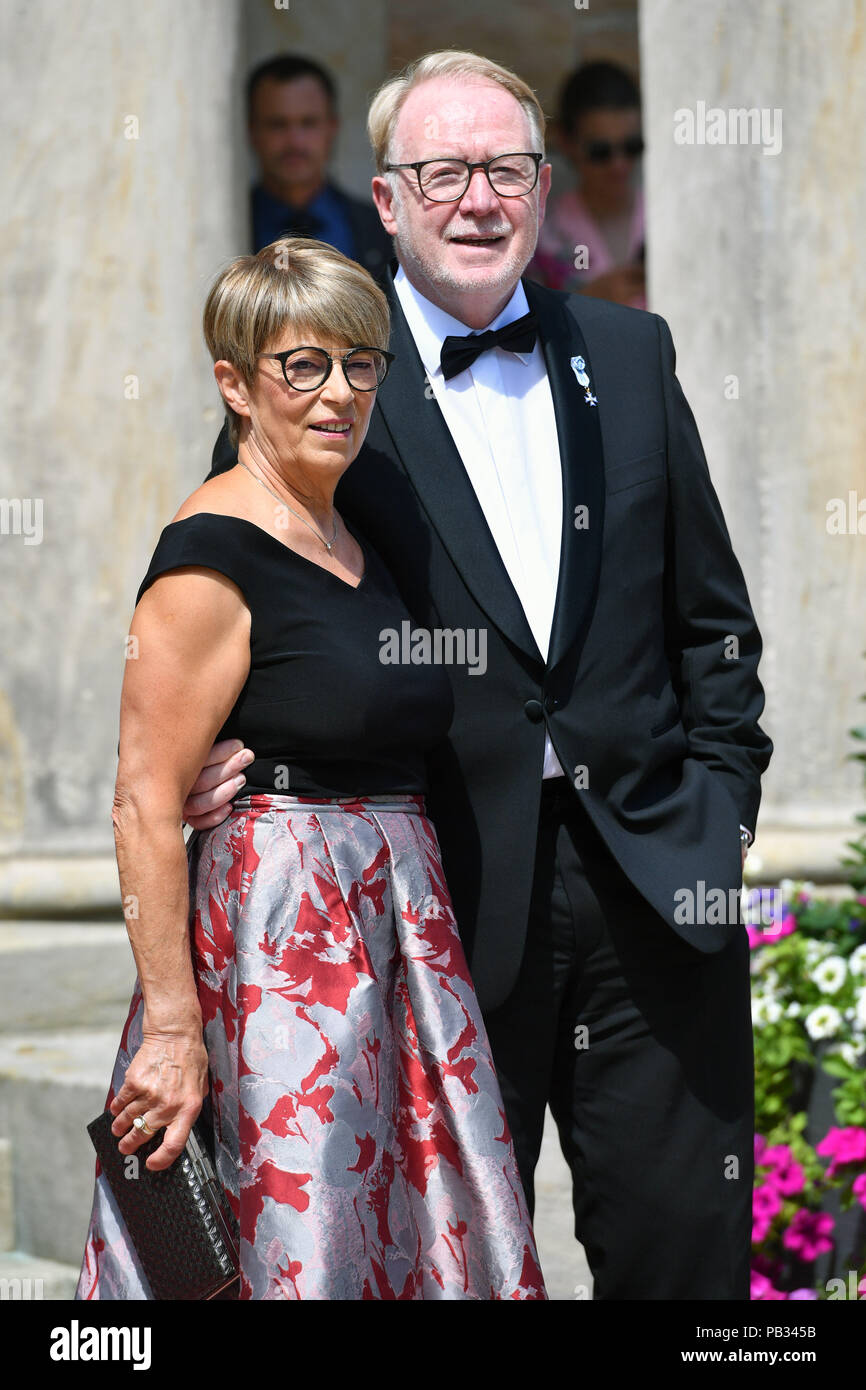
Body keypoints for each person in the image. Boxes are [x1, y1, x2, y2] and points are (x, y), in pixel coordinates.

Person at [194, 49, 773, 1300]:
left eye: (503, 169)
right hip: (431, 908)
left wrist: (717, 815)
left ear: (540, 184)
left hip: (654, 896)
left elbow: (712, 625)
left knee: (688, 1279)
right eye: (442, 170)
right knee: (445, 1275)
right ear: (387, 200)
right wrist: (209, 763)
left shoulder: (627, 353)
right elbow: (233, 602)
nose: (477, 199)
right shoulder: (322, 387)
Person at [75, 237, 546, 1302]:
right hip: (279, 940)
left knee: (423, 1234)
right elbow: (144, 804)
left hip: (404, 935)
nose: (338, 391)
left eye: (358, 362)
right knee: (303, 1231)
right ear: (234, 385)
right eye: (302, 365)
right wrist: (172, 1029)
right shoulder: (207, 556)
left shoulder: (362, 522)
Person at [248, 53, 393, 281]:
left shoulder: (382, 230)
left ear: (332, 128)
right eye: (277, 125)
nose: (294, 141)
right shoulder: (228, 228)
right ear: (252, 131)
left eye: (309, 123)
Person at [529, 61, 645, 307]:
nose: (619, 165)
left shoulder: (668, 220)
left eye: (632, 147)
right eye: (601, 151)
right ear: (566, 142)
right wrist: (588, 302)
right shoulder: (541, 235)